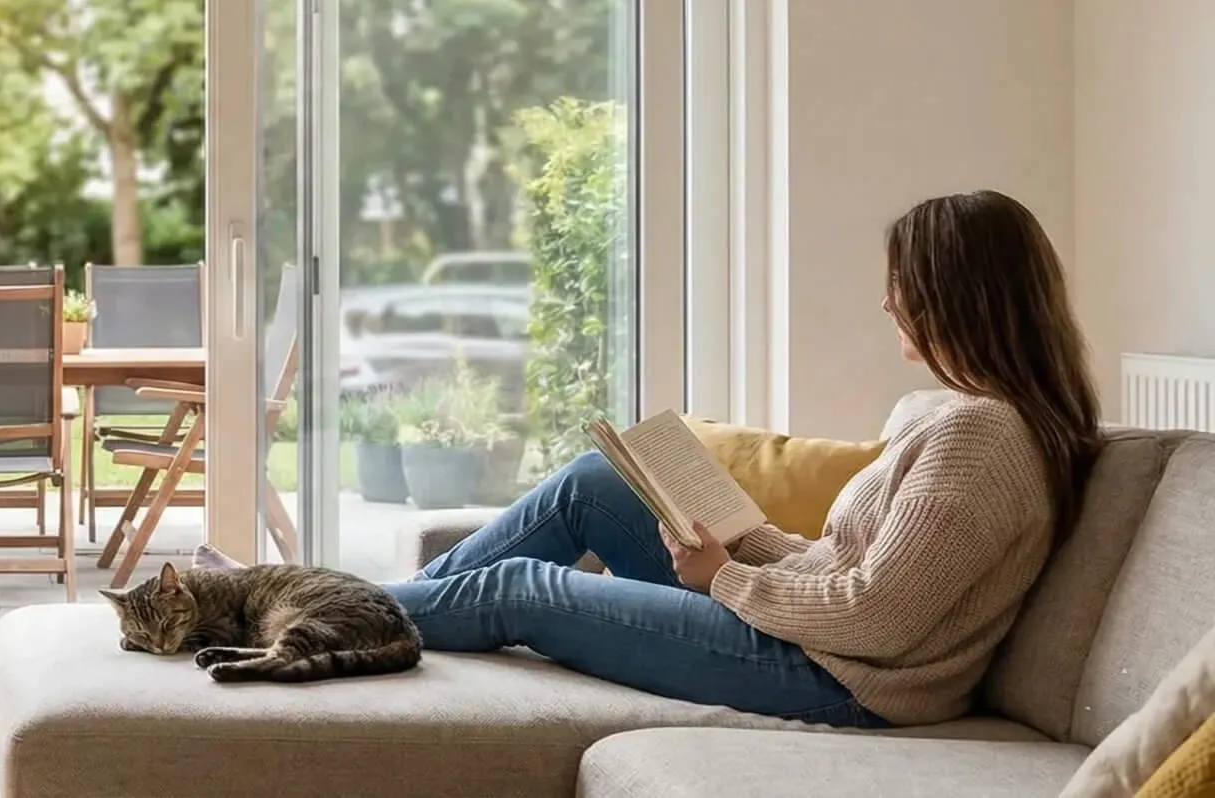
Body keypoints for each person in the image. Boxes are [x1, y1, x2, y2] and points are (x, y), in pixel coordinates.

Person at [380, 190, 1100, 727]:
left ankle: (305, 614)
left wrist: (725, 577)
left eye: (902, 283)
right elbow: (852, 569)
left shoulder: (981, 437)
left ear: (956, 298)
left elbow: (878, 617)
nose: (887, 304)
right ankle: (367, 615)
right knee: (596, 483)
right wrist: (742, 539)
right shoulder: (968, 417)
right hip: (819, 643)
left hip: (839, 680)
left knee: (518, 589)